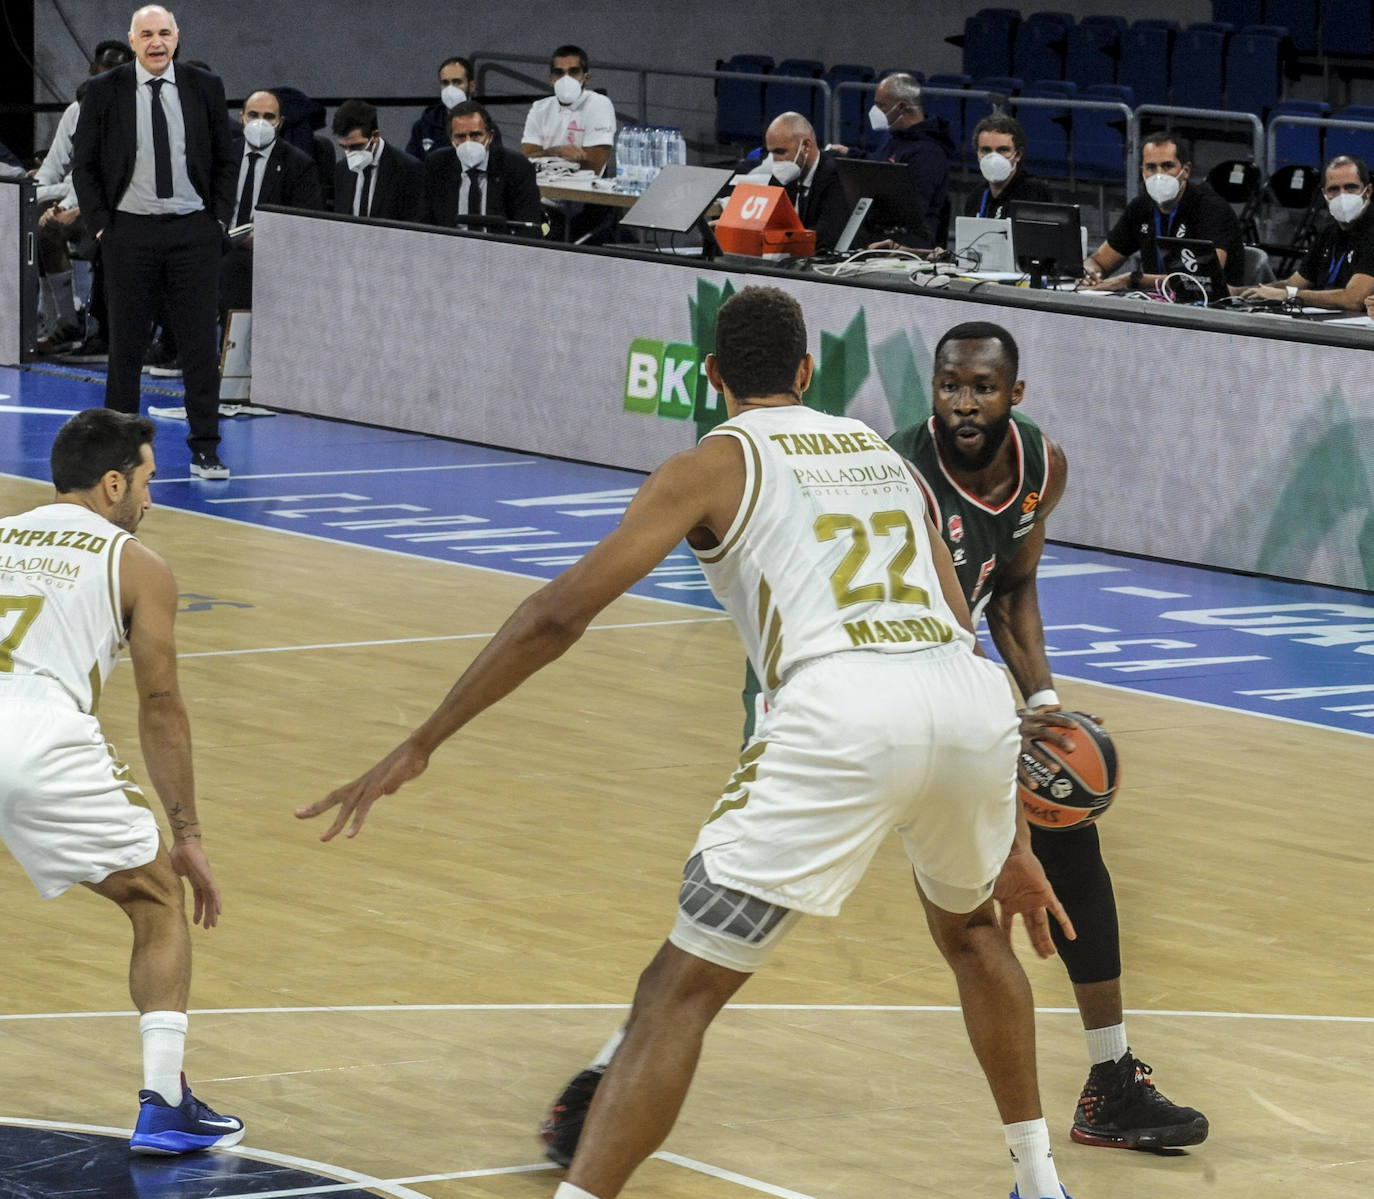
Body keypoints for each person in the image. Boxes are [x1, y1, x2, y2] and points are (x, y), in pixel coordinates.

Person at [298, 287, 1077, 1199]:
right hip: (968, 707)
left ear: (712, 377)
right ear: (807, 372)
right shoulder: (883, 454)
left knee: (676, 991)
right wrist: (1011, 841)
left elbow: (559, 613)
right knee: (976, 939)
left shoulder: (709, 465)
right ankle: (1039, 1181)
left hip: (843, 714)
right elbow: (960, 626)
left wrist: (423, 739)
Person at [541, 321, 1210, 1169]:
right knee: (724, 928)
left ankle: (1111, 1075)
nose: (965, 402)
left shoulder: (1041, 466)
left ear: (1016, 394)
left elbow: (1013, 590)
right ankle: (610, 1071)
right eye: (950, 386)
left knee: (1055, 846)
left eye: (983, 387)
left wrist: (1040, 700)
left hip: (949, 691)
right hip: (834, 697)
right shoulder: (888, 461)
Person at [0, 408, 243, 1155]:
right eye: (145, 482)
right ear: (112, 483)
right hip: (37, 735)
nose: (149, 500)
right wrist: (189, 833)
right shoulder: (138, 562)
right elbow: (160, 704)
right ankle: (165, 1101)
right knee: (157, 896)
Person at [70, 5, 237, 480]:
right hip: (129, 233)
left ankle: (206, 448)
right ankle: (123, 455)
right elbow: (84, 165)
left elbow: (226, 158)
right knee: (126, 349)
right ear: (133, 39)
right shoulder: (105, 91)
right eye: (147, 34)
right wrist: (103, 226)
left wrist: (218, 221)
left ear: (177, 37)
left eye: (164, 33)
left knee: (200, 348)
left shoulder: (206, 87)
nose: (156, 42)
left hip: (194, 232)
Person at [34, 39, 135, 358]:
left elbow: (103, 174)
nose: (108, 76)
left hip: (124, 207)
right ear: (93, 70)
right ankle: (66, 321)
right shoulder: (77, 110)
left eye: (117, 70)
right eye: (104, 69)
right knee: (40, 222)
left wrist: (70, 207)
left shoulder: (135, 112)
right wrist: (38, 194)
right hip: (85, 202)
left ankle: (113, 327)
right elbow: (56, 165)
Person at [1081, 132, 1243, 292]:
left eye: (1167, 166)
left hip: (1212, 307)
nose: (1159, 175)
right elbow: (1099, 261)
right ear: (1142, 171)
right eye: (1151, 167)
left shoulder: (1211, 208)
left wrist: (1133, 279)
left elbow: (1202, 278)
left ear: (1186, 170)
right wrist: (1089, 273)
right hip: (1155, 303)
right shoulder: (1140, 207)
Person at [220, 88, 324, 319]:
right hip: (219, 243)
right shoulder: (222, 156)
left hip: (269, 251)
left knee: (235, 266)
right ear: (242, 118)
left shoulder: (298, 164)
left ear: (280, 122)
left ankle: (233, 347)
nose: (260, 122)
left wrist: (267, 237)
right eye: (253, 115)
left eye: (269, 117)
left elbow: (307, 220)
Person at [1238, 154, 1374, 312]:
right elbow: (1294, 283)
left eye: (1351, 187)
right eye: (1334, 189)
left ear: (1368, 191)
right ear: (1324, 194)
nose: (1342, 196)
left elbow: (1353, 300)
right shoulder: (1330, 231)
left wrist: (1289, 295)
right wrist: (1240, 292)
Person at [834, 73, 954, 247]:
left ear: (902, 107)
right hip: (880, 233)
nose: (875, 111)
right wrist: (850, 153)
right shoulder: (893, 137)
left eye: (880, 105)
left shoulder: (928, 154)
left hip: (908, 245)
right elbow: (879, 165)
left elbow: (913, 211)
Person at [422, 100, 542, 230]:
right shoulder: (436, 165)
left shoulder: (518, 168)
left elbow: (529, 229)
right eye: (460, 137)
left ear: (490, 136)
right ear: (451, 140)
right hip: (450, 247)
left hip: (499, 247)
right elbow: (422, 222)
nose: (468, 143)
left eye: (475, 135)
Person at [746, 111, 851, 252]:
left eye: (780, 152)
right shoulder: (783, 175)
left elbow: (826, 237)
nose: (775, 160)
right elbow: (768, 220)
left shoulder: (838, 176)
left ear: (806, 146)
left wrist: (777, 239)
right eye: (771, 153)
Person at [519, 44, 616, 176]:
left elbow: (593, 168)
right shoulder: (539, 108)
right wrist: (555, 152)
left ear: (586, 79)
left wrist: (545, 159)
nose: (566, 79)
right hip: (541, 190)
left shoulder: (599, 104)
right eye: (559, 73)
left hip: (580, 193)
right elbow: (524, 161)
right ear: (551, 79)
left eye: (573, 72)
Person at [330, 99, 424, 223]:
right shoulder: (341, 171)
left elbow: (415, 226)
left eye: (356, 146)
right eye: (344, 147)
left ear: (375, 136)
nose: (350, 153)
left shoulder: (408, 169)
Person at [963, 113, 1052, 220]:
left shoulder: (1034, 193)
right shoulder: (976, 197)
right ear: (977, 153)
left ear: (1018, 154)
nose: (993, 158)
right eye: (986, 150)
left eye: (1003, 150)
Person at [407, 55, 475, 160]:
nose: (450, 88)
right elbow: (410, 168)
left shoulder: (484, 127)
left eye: (457, 82)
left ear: (471, 86)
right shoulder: (422, 127)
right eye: (445, 83)